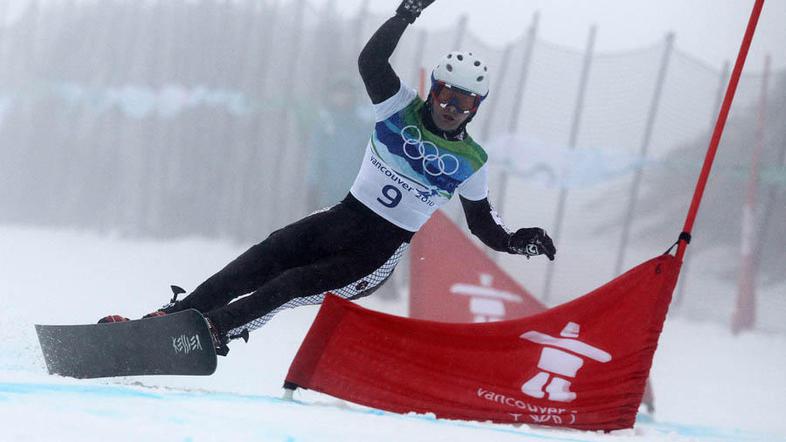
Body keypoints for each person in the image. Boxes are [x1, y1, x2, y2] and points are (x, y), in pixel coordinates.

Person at [100, 0, 556, 356]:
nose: (451, 109)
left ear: (477, 108)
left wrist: (517, 242)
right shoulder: (399, 107)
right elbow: (371, 61)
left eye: (465, 103)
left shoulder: (472, 160)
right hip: (344, 215)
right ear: (433, 89)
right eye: (446, 95)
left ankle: (213, 332)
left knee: (289, 284)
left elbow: (483, 226)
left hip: (375, 253)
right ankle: (169, 319)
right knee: (263, 257)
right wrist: (404, 15)